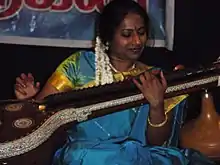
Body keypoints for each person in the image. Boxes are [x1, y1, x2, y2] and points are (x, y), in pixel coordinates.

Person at [14, 0, 215, 164]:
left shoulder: (154, 77)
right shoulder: (77, 67)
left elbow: (157, 142)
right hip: (84, 156)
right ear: (108, 38)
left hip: (137, 158)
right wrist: (31, 100)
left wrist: (156, 105)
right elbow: (41, 114)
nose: (137, 41)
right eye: (127, 35)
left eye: (141, 32)